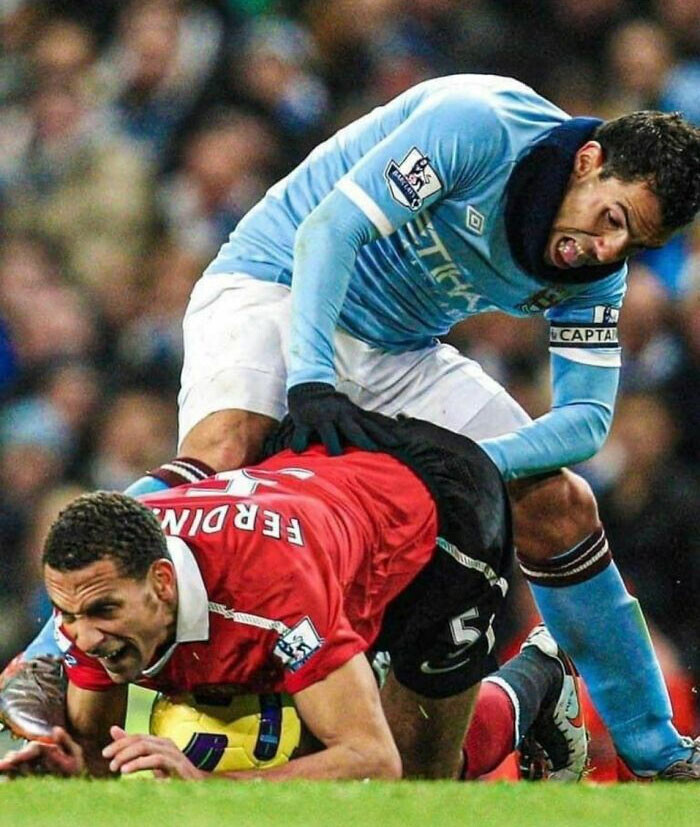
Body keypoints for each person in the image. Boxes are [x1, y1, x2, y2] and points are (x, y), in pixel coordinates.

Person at [7, 74, 700, 777]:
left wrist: (470, 464)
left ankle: (659, 749)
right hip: (280, 284)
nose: (608, 249)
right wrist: (310, 382)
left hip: (399, 349)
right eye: (612, 219)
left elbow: (586, 420)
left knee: (560, 504)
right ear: (587, 161)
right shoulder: (479, 126)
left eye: (633, 241)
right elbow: (331, 231)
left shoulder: (594, 272)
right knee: (225, 448)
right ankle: (43, 660)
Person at [0, 417, 585, 780]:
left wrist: (206, 791)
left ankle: (540, 674)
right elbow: (95, 754)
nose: (84, 636)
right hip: (325, 498)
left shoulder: (271, 598)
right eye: (67, 615)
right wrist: (65, 770)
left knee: (418, 777)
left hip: (436, 521)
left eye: (103, 612)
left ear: (162, 583)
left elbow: (372, 759)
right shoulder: (95, 591)